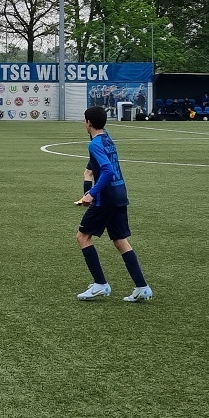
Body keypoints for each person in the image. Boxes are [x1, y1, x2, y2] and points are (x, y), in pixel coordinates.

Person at [75, 106, 152, 302]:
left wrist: (92, 193)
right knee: (120, 240)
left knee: (83, 237)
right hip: (120, 194)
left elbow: (107, 170)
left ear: (88, 122)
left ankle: (100, 284)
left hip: (106, 198)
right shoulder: (107, 138)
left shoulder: (94, 144)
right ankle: (142, 287)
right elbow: (95, 167)